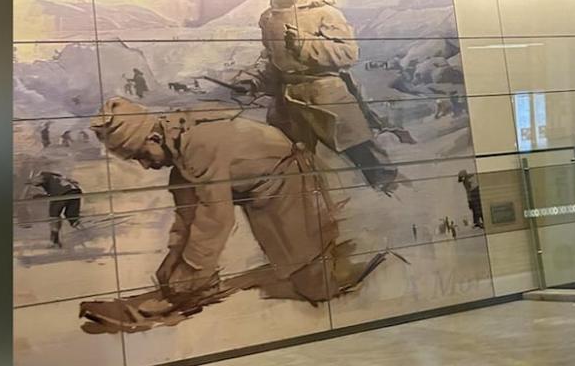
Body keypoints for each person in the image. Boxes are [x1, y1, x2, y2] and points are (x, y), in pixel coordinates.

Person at [89, 97, 385, 315]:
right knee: (291, 261)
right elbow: (187, 218)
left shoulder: (198, 146)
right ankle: (198, 285)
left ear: (153, 136)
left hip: (286, 179)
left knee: (316, 285)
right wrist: (172, 261)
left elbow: (214, 221)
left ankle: (368, 261)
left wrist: (189, 271)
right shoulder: (179, 152)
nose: (145, 164)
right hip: (255, 186)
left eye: (142, 154)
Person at [245, 0, 402, 193]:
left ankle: (390, 191)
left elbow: (348, 53)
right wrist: (257, 81)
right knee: (286, 155)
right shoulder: (268, 17)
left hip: (325, 90)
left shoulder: (325, 12)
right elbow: (273, 59)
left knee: (360, 146)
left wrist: (305, 44)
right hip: (287, 98)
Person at [27, 171, 83, 247]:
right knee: (71, 216)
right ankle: (86, 232)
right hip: (75, 191)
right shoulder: (56, 177)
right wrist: (40, 196)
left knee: (53, 215)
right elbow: (53, 192)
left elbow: (40, 180)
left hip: (62, 193)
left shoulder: (44, 175)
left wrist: (31, 181)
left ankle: (54, 241)